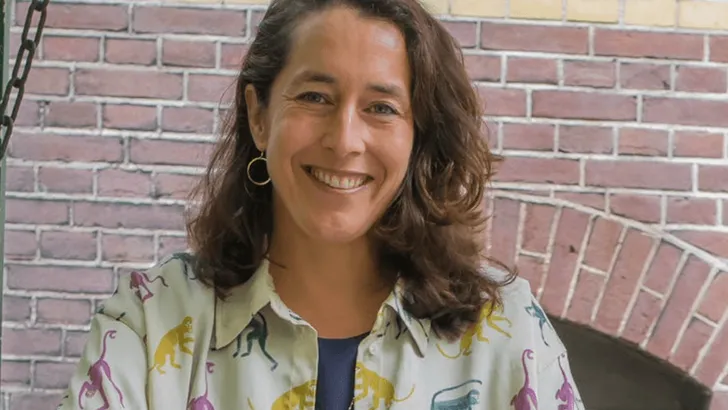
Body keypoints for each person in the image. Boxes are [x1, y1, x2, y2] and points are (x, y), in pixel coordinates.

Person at [58, 0, 585, 408]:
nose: (345, 140)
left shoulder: (507, 333)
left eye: (382, 107)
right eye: (315, 97)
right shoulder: (150, 321)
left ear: (418, 136)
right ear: (259, 116)